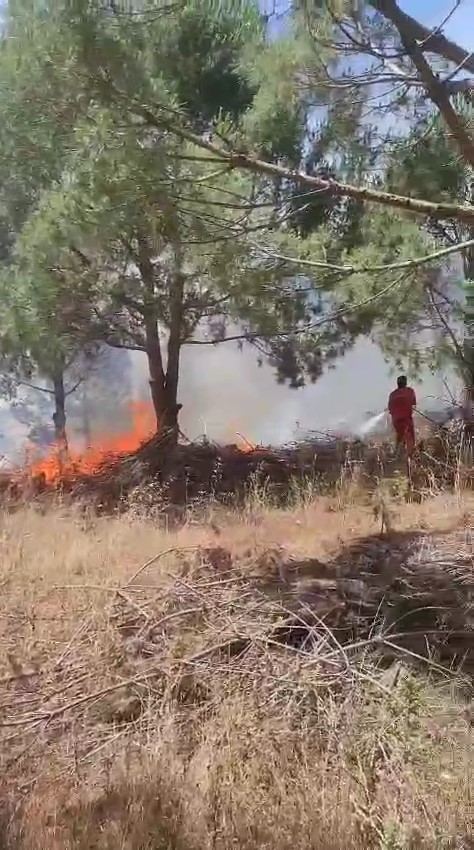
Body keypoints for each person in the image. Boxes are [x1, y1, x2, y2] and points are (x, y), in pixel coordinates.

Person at [388, 376, 417, 455]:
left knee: (399, 436)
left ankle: (397, 453)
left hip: (396, 421)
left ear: (397, 384)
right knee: (410, 437)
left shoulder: (392, 394)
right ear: (405, 383)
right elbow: (414, 405)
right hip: (407, 419)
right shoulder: (410, 391)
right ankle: (410, 455)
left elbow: (390, 410)